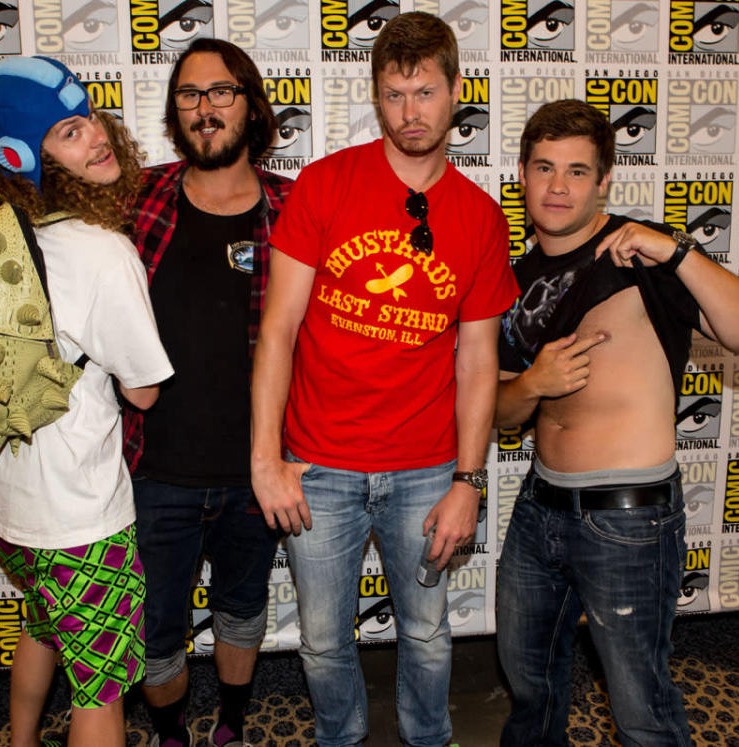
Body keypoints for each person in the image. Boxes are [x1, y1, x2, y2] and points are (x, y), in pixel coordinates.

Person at [250, 12, 519, 746]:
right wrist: (265, 459)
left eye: (426, 92)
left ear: (456, 90)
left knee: (429, 635)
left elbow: (478, 359)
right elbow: (277, 329)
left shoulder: (479, 217)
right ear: (375, 93)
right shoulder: (326, 184)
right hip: (319, 462)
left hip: (426, 468)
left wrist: (468, 479)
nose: (411, 112)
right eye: (395, 94)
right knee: (322, 640)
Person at [494, 99, 739, 745]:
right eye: (544, 167)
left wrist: (675, 248)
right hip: (539, 509)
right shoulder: (514, 278)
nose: (559, 186)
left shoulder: (639, 253)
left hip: (628, 519)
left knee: (639, 706)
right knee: (530, 687)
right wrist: (533, 383)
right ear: (521, 174)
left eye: (577, 170)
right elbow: (500, 411)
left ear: (603, 181)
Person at [0, 56, 173, 747]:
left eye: (90, 122)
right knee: (102, 688)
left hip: (3, 501)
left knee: (43, 624)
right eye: (69, 134)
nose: (96, 139)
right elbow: (143, 387)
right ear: (27, 155)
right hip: (76, 512)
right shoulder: (99, 250)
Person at [123, 38, 290, 747]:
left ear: (251, 106)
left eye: (221, 91)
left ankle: (229, 725)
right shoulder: (136, 201)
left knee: (242, 610)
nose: (205, 107)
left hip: (258, 470)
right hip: (154, 471)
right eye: (190, 95)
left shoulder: (295, 208)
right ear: (174, 113)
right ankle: (168, 733)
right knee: (156, 626)